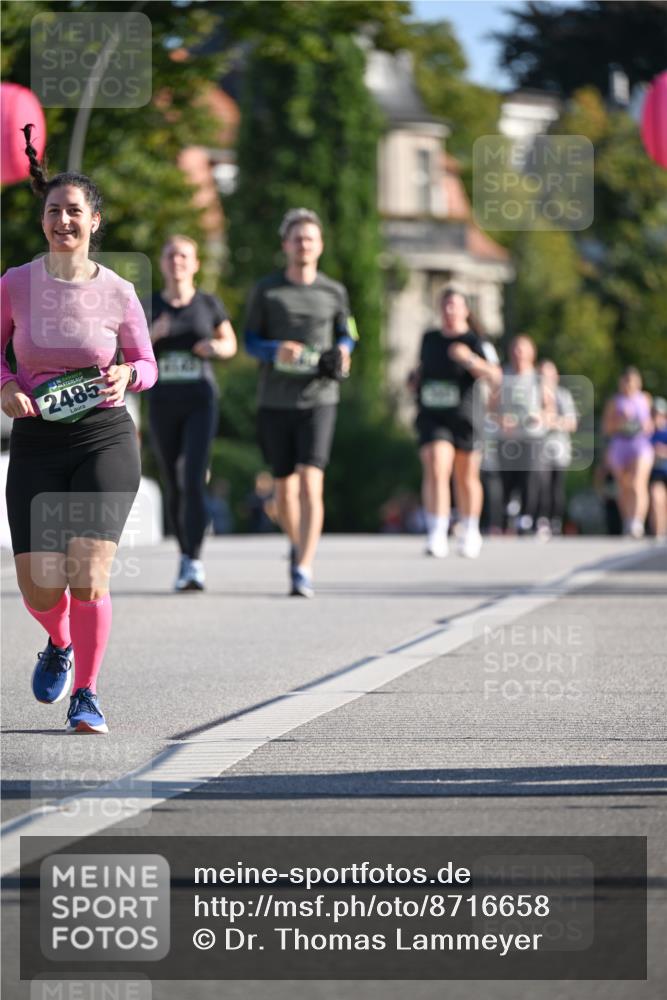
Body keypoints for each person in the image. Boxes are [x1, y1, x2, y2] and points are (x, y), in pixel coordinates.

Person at [1, 125, 157, 733]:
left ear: (95, 221)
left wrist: (129, 379)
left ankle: (86, 694)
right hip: (38, 440)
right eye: (53, 211)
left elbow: (145, 362)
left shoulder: (119, 292)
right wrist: (8, 387)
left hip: (103, 437)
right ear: (42, 221)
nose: (63, 220)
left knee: (89, 573)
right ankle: (59, 642)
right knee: (41, 588)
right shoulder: (15, 284)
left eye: (74, 211)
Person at [243, 208, 357, 597]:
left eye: (310, 238)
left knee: (311, 482)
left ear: (320, 245)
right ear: (285, 245)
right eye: (297, 239)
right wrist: (277, 350)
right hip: (275, 401)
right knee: (284, 491)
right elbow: (250, 341)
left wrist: (343, 349)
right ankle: (298, 542)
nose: (304, 244)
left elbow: (349, 332)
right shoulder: (268, 290)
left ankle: (303, 568)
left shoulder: (333, 291)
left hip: (319, 398)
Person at [145, 236, 237, 591]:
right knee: (174, 479)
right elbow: (126, 350)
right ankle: (184, 554)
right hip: (163, 401)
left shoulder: (208, 304)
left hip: (201, 400)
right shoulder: (149, 305)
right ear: (163, 262)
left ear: (195, 264)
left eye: (184, 255)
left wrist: (216, 346)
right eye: (170, 255)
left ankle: (194, 561)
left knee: (194, 477)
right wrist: (154, 334)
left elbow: (230, 343)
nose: (177, 261)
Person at [409, 288, 502, 559]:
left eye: (454, 306)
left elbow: (496, 375)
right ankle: (437, 532)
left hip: (465, 416)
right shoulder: (429, 338)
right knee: (437, 466)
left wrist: (469, 359)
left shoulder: (475, 341)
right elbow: (422, 369)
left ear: (465, 311)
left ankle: (470, 529)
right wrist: (414, 379)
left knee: (465, 476)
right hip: (433, 414)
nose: (449, 311)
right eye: (445, 306)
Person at [491, 334, 551, 536]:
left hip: (531, 436)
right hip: (507, 437)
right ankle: (506, 517)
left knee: (530, 476)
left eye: (523, 349)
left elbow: (550, 409)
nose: (519, 353)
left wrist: (539, 417)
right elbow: (490, 408)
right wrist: (501, 420)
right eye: (515, 348)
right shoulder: (502, 376)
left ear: (531, 353)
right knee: (507, 479)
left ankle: (528, 518)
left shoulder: (538, 378)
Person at [602, 367, 654, 538]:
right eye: (625, 381)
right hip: (620, 445)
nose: (628, 385)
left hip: (639, 444)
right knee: (624, 486)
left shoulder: (645, 399)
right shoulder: (615, 402)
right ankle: (627, 521)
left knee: (637, 482)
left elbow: (650, 426)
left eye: (632, 381)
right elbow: (607, 429)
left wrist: (641, 425)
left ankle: (637, 521)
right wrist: (620, 422)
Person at [537, 359, 578, 536]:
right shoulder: (533, 395)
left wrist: (552, 421)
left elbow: (571, 422)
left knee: (556, 486)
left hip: (559, 448)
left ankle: (556, 520)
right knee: (541, 485)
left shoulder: (563, 395)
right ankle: (541, 519)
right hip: (539, 449)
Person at [648, 396, 667, 540]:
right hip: (655, 473)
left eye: (658, 414)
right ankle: (659, 534)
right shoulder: (646, 432)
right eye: (653, 413)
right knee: (656, 497)